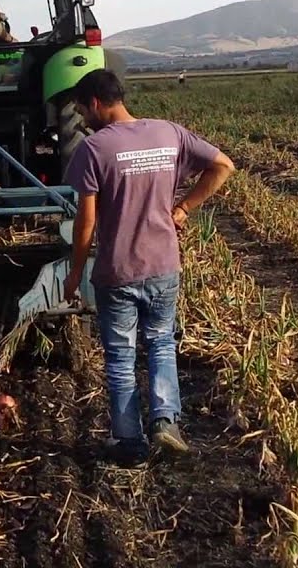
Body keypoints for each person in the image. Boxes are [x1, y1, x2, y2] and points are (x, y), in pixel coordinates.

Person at [61, 68, 234, 464]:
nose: (82, 120)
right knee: (160, 342)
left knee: (121, 357)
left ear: (94, 103)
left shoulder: (94, 149)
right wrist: (183, 208)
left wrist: (75, 274)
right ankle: (165, 422)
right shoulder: (168, 133)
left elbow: (86, 221)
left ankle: (129, 442)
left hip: (117, 272)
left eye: (82, 111)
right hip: (163, 266)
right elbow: (223, 165)